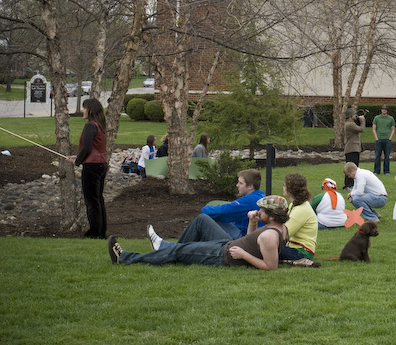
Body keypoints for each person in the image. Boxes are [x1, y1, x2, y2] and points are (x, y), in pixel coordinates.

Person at [108, 195, 290, 270]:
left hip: (224, 255)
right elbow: (251, 240)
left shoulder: (269, 236)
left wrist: (243, 254)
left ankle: (124, 258)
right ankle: (167, 252)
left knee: (180, 251)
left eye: (263, 211)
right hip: (228, 245)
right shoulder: (282, 229)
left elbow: (270, 267)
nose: (260, 212)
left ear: (272, 216)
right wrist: (253, 222)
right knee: (201, 221)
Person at [147, 169, 266, 249]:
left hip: (242, 241)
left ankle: (170, 248)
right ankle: (173, 248)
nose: (237, 185)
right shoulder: (259, 196)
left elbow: (221, 211)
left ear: (250, 186)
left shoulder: (249, 200)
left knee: (203, 219)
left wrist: (206, 207)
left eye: (240, 183)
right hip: (246, 238)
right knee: (213, 221)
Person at [69, 98, 108, 239]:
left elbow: (87, 147)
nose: (83, 111)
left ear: (90, 110)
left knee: (91, 201)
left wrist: (78, 161)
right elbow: (93, 149)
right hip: (101, 165)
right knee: (98, 199)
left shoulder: (90, 126)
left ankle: (95, 232)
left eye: (85, 108)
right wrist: (77, 157)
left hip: (91, 167)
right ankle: (101, 231)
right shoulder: (100, 126)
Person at [281, 173, 319, 266]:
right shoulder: (294, 205)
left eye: (284, 185)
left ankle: (299, 260)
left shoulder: (301, 209)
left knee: (266, 247)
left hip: (301, 252)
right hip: (295, 248)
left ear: (290, 190)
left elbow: (284, 235)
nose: (283, 187)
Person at [343, 108, 365, 190]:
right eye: (354, 114)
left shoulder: (351, 123)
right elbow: (361, 129)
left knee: (353, 168)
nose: (355, 116)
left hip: (354, 148)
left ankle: (351, 184)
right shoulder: (350, 124)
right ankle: (349, 185)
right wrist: (362, 120)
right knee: (351, 169)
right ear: (350, 116)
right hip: (351, 149)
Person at [372, 104, 396, 175]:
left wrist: (390, 138)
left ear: (387, 110)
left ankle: (386, 171)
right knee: (377, 156)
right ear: (381, 110)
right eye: (383, 109)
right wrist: (376, 138)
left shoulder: (391, 118)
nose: (384, 110)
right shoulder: (377, 118)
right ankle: (376, 170)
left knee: (387, 156)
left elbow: (393, 129)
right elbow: (374, 128)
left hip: (387, 140)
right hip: (379, 140)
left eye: (385, 109)